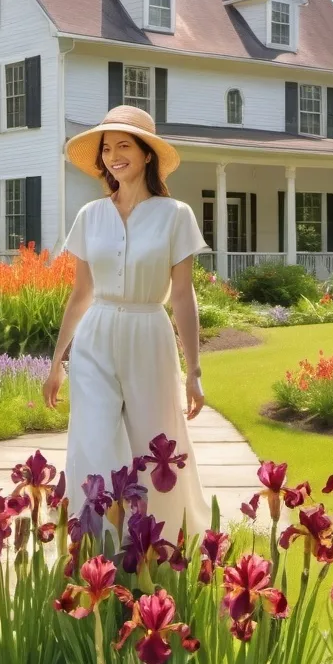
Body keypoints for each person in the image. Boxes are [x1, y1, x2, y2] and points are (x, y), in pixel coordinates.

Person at [42, 105, 211, 539]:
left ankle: (161, 546)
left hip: (149, 334)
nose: (114, 155)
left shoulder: (176, 215)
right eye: (107, 148)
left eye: (124, 146)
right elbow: (81, 294)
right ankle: (97, 549)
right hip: (95, 338)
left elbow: (182, 296)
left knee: (154, 444)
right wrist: (57, 362)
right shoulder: (89, 216)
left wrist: (194, 372)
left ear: (146, 154)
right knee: (92, 442)